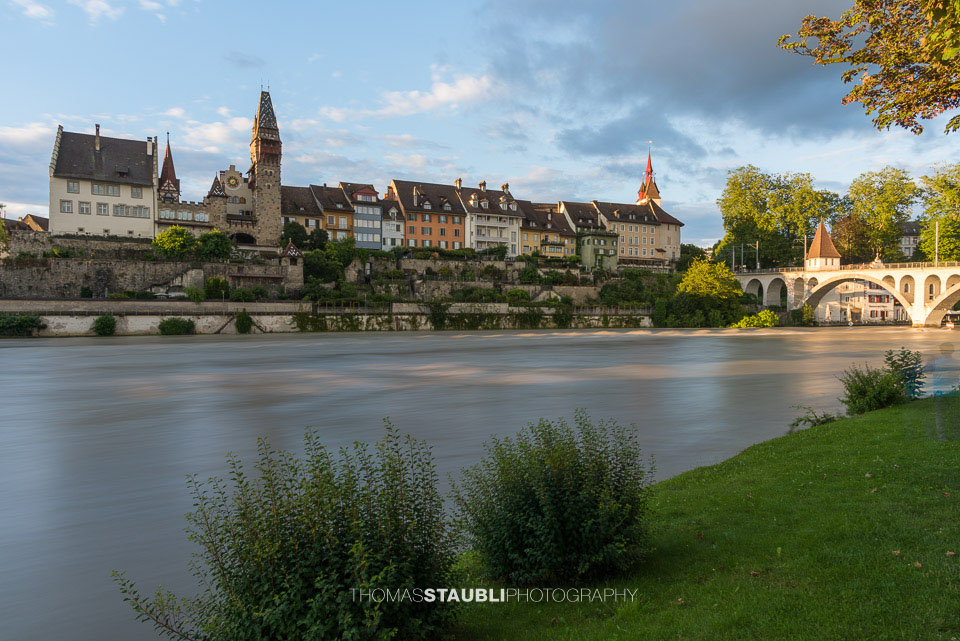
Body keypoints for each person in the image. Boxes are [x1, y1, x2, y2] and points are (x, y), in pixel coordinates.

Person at [924, 343, 958, 440]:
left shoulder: (935, 363)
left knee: (940, 415)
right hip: (954, 392)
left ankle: (942, 437)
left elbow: (927, 371)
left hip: (940, 393)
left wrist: (929, 360)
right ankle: (956, 434)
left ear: (941, 351)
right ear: (952, 351)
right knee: (954, 414)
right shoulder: (957, 362)